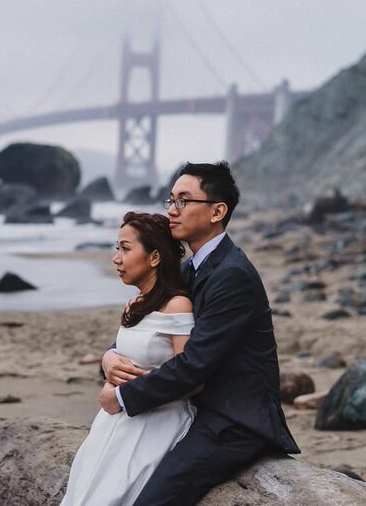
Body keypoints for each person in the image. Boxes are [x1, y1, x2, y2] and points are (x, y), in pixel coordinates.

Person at [98, 161, 300, 505]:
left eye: (184, 201)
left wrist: (120, 398)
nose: (173, 210)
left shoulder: (231, 274)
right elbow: (150, 322)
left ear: (217, 211)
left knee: (152, 500)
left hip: (234, 421)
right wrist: (110, 356)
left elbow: (195, 365)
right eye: (171, 200)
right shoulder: (194, 267)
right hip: (195, 407)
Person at [60, 211, 194, 506]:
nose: (116, 258)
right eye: (116, 249)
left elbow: (191, 379)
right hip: (114, 421)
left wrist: (119, 394)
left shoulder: (178, 305)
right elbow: (122, 352)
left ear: (155, 257)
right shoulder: (134, 303)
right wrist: (108, 360)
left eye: (125, 248)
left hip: (158, 421)